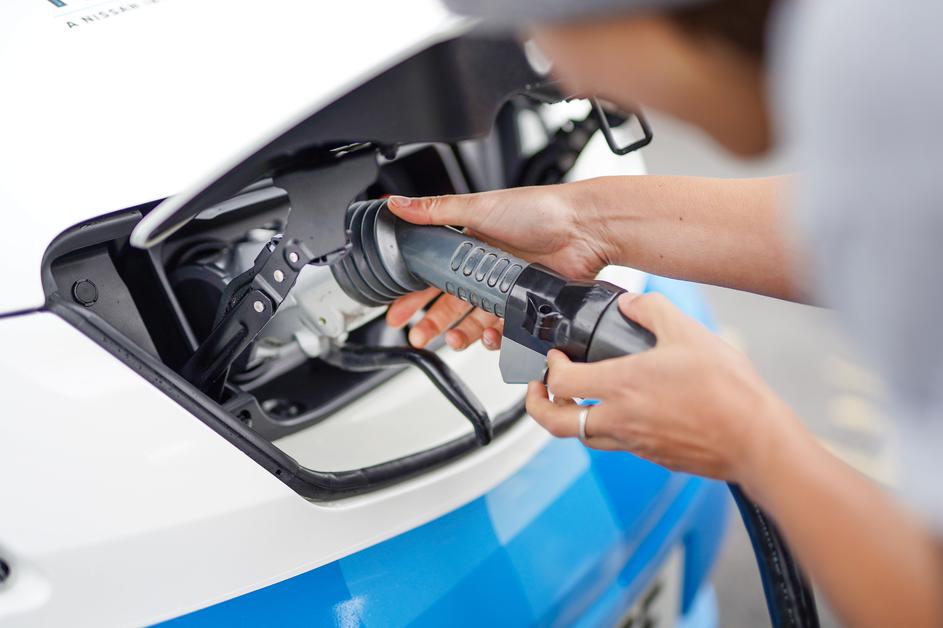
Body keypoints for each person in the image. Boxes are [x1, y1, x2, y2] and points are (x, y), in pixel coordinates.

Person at [383, 0, 943, 626]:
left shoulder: (877, 55)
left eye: (547, 32)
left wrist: (750, 439)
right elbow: (901, 228)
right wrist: (588, 222)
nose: (574, 83)